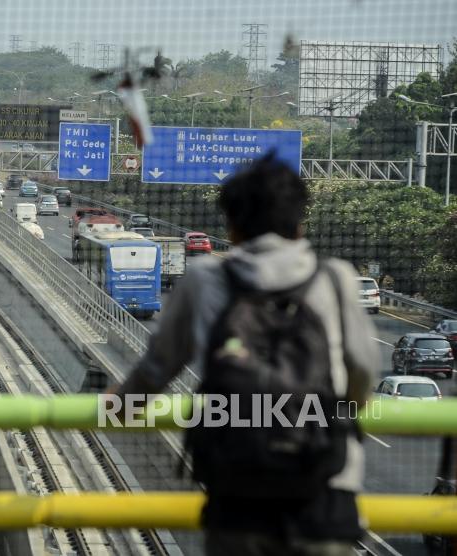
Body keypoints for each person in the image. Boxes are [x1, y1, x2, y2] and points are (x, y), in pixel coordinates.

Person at [112, 154, 378, 555]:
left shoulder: (204, 278)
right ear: (299, 224)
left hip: (237, 494)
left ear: (232, 228)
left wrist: (115, 406)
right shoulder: (336, 279)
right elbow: (363, 372)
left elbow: (155, 370)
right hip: (323, 494)